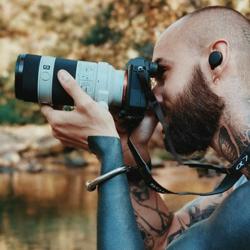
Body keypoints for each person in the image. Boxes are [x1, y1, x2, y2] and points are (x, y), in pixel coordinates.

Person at [41, 6, 250, 250]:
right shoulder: (240, 184)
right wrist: (128, 149)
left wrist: (108, 153)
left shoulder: (243, 206)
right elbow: (165, 241)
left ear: (217, 59)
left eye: (162, 73)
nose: (154, 94)